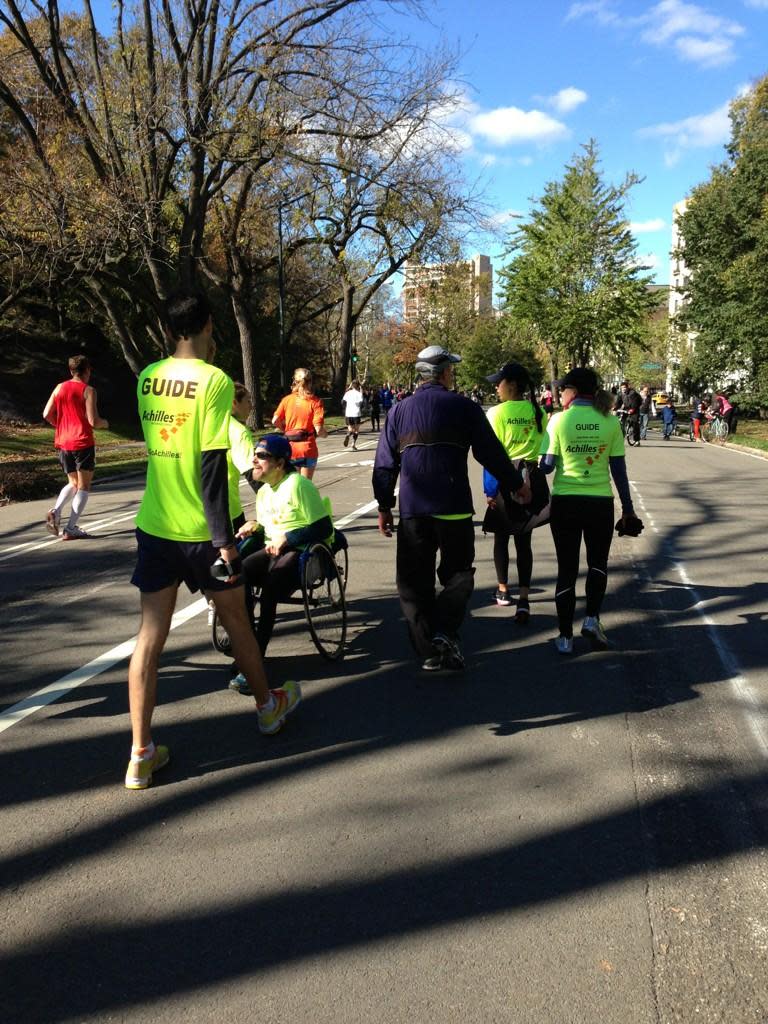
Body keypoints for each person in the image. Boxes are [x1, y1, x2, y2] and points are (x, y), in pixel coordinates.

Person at [126, 291, 301, 790]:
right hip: (203, 531)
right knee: (237, 621)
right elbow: (208, 462)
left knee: (149, 637)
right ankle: (269, 708)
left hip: (155, 524)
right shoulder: (215, 381)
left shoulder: (146, 378)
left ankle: (140, 753)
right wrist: (224, 539)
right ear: (204, 324)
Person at [373, 345, 530, 672]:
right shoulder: (464, 407)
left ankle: (430, 647)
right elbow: (490, 453)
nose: (453, 374)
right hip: (453, 506)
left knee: (413, 584)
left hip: (415, 509)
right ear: (444, 373)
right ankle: (444, 632)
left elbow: (385, 464)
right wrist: (516, 484)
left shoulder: (399, 411)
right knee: (458, 575)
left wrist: (385, 505)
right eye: (452, 370)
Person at [540, 367, 641, 655]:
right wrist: (628, 509)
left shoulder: (558, 420)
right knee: (597, 563)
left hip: (565, 503)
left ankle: (564, 637)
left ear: (572, 391)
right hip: (600, 503)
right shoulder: (610, 422)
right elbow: (619, 472)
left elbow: (546, 465)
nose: (559, 394)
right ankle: (592, 619)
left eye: (562, 390)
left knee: (566, 569)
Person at [227, 434, 334, 691]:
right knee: (237, 578)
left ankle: (254, 660)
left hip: (302, 550)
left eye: (261, 456)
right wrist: (253, 526)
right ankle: (246, 645)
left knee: (271, 591)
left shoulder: (298, 485)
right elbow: (267, 527)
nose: (254, 459)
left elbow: (323, 526)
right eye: (255, 454)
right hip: (272, 548)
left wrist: (288, 538)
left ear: (279, 462)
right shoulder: (263, 492)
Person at [483, 362, 546, 623]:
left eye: (499, 382)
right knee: (524, 540)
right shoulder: (538, 411)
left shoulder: (496, 413)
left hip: (503, 477)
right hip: (530, 477)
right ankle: (524, 598)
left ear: (511, 385)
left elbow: (490, 454)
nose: (496, 387)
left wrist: (490, 489)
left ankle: (502, 590)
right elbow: (544, 448)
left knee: (501, 538)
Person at [42, 355, 109, 540]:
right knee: (84, 486)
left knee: (73, 483)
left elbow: (46, 413)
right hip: (82, 442)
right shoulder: (88, 390)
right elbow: (93, 421)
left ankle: (55, 511)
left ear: (71, 370)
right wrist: (105, 423)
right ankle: (70, 528)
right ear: (87, 370)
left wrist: (61, 425)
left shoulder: (59, 387)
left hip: (63, 442)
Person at [271, 367, 327, 479]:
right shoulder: (315, 402)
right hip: (307, 449)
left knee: (292, 486)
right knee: (305, 486)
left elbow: (274, 420)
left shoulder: (287, 400)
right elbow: (319, 429)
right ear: (310, 382)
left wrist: (286, 429)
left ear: (294, 382)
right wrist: (325, 434)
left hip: (290, 449)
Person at [341, 379, 364, 450]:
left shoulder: (347, 393)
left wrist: (345, 408)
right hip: (356, 413)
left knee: (350, 429)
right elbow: (361, 403)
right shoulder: (359, 394)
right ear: (358, 386)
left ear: (352, 386)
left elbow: (342, 402)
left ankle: (348, 434)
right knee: (356, 430)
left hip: (348, 413)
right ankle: (353, 444)